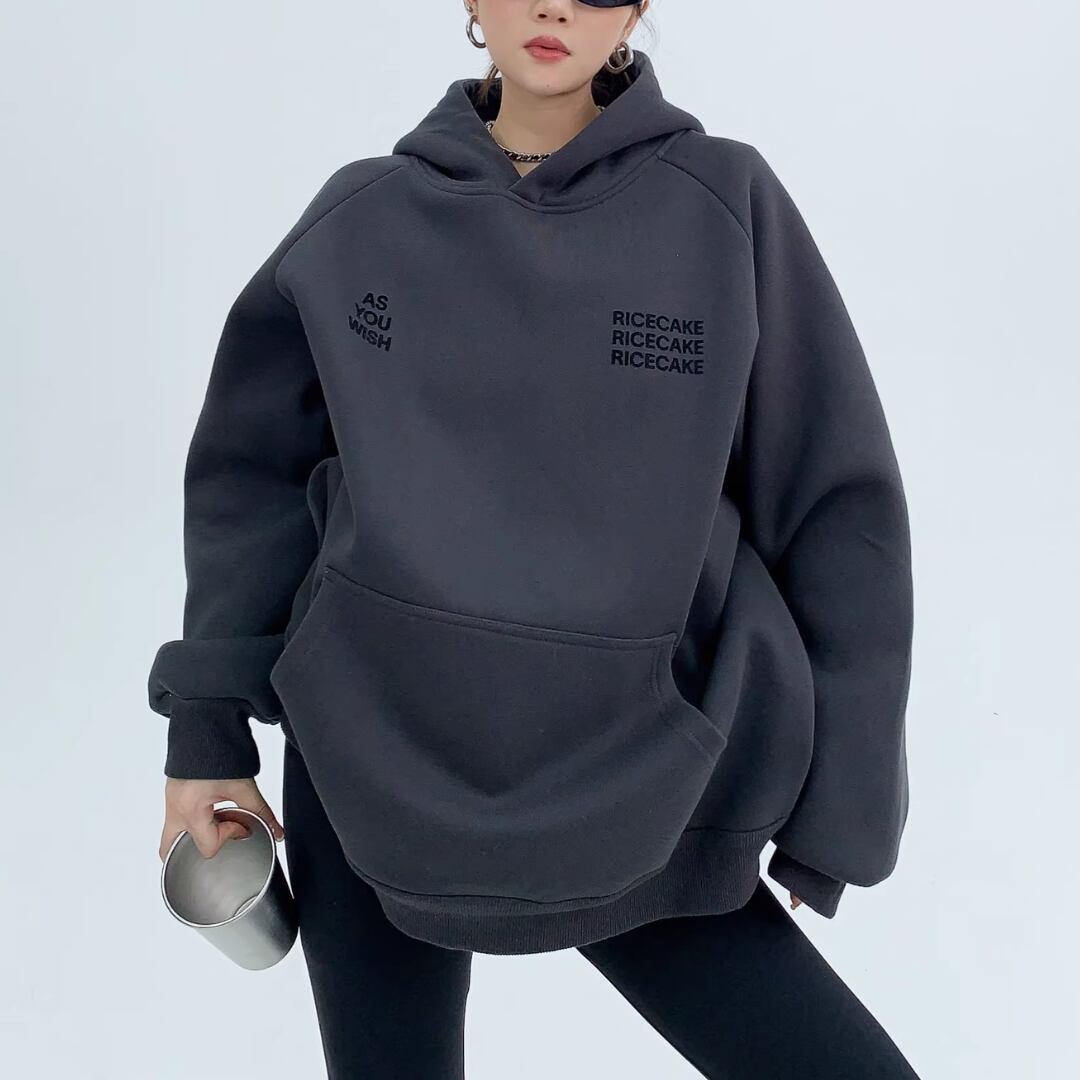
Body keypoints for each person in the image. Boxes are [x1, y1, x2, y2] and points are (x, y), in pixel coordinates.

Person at [151, 2, 920, 1076]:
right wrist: (206, 732)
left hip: (644, 781)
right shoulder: (363, 215)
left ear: (638, 8)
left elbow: (837, 506)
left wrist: (840, 809)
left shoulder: (724, 206)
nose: (555, 4)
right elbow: (250, 477)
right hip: (369, 766)